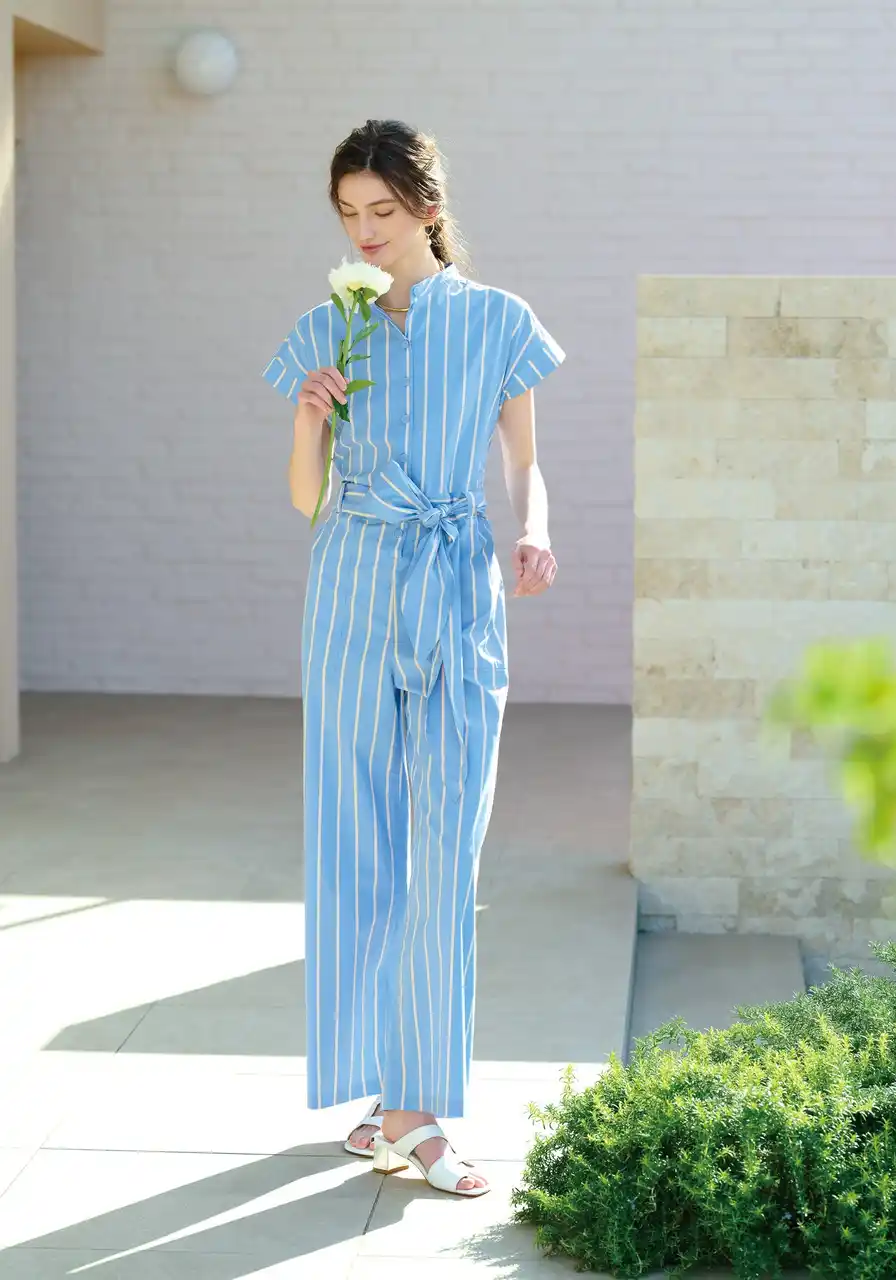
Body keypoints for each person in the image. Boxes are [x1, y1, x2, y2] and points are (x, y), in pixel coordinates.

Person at [261, 119, 564, 1197]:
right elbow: (307, 499)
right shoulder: (327, 329)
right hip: (349, 586)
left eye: (382, 211)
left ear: (428, 208)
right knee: (353, 840)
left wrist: (534, 530)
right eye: (348, 213)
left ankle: (411, 1103)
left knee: (446, 844)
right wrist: (309, 419)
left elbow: (522, 460)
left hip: (455, 588)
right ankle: (394, 1104)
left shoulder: (498, 321)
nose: (364, 231)